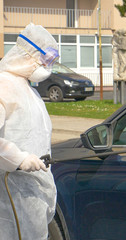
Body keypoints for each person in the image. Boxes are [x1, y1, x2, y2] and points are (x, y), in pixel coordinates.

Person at [0, 23, 59, 239]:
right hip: (11, 189)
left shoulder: (30, 91)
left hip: (34, 188)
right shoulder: (3, 85)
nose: (48, 66)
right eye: (46, 59)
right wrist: (19, 158)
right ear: (27, 54)